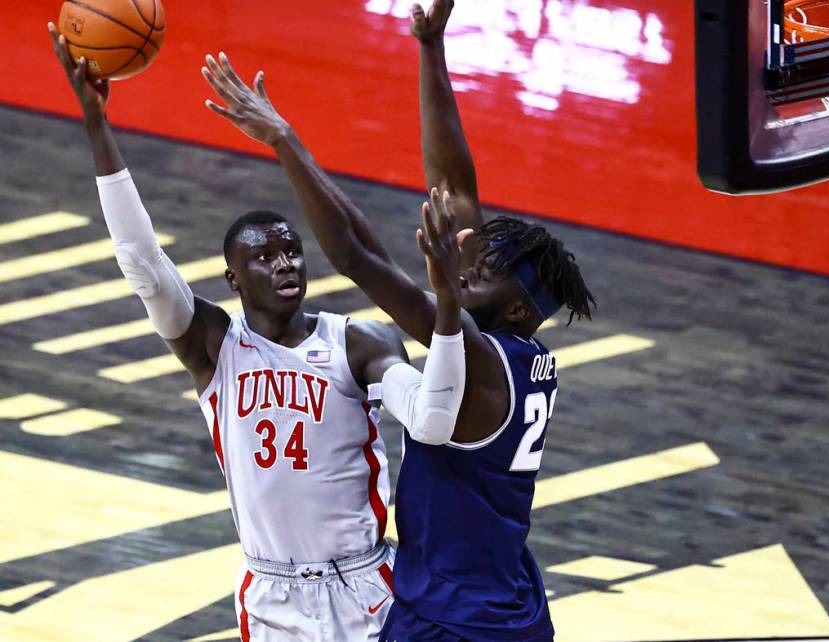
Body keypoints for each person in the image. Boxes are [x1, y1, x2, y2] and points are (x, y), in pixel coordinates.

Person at [49, 23, 469, 642]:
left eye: (291, 251)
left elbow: (430, 419)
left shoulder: (357, 344)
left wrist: (449, 313)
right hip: (270, 593)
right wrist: (96, 124)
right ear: (233, 277)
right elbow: (141, 262)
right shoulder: (215, 348)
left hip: (366, 586)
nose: (284, 264)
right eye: (265, 257)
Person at [200, 0, 595, 635]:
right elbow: (454, 186)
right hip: (511, 595)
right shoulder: (518, 348)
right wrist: (431, 48)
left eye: (482, 271)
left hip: (452, 614)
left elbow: (355, 255)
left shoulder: (476, 355)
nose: (465, 267)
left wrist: (284, 139)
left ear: (517, 306)